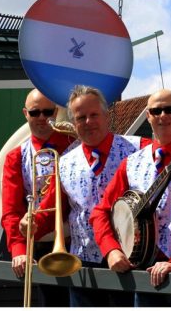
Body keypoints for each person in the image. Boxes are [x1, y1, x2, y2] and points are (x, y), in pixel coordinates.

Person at [20, 85, 151, 307]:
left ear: (106, 115)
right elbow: (52, 208)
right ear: (74, 122)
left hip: (130, 262)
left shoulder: (140, 150)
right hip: (83, 266)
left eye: (94, 115)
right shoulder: (64, 161)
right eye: (81, 118)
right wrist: (32, 223)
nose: (88, 122)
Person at [89, 89, 171, 307]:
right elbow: (100, 212)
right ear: (148, 116)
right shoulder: (131, 162)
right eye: (156, 110)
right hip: (143, 270)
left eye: (170, 109)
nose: (163, 115)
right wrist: (111, 250)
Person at [1, 88, 77, 307]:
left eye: (48, 112)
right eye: (35, 113)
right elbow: (11, 210)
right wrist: (19, 250)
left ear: (56, 113)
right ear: (26, 114)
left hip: (80, 241)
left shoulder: (76, 146)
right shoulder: (16, 156)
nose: (42, 118)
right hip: (41, 245)